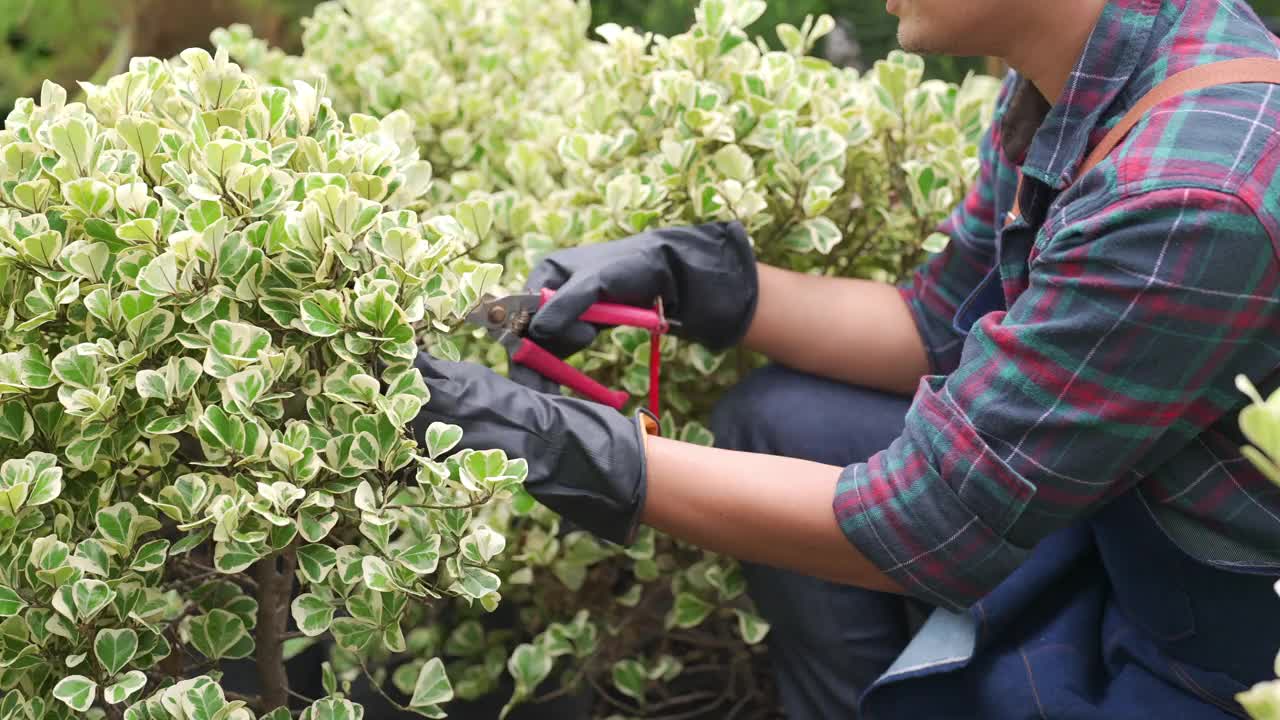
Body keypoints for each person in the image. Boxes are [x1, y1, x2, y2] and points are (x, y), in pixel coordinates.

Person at [414, 0, 1280, 717]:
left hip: (1223, 645)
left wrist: (546, 441)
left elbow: (930, 525)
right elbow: (938, 322)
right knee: (782, 419)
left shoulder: (1190, 196)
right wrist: (693, 277)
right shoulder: (1087, 68)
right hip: (1119, 513)